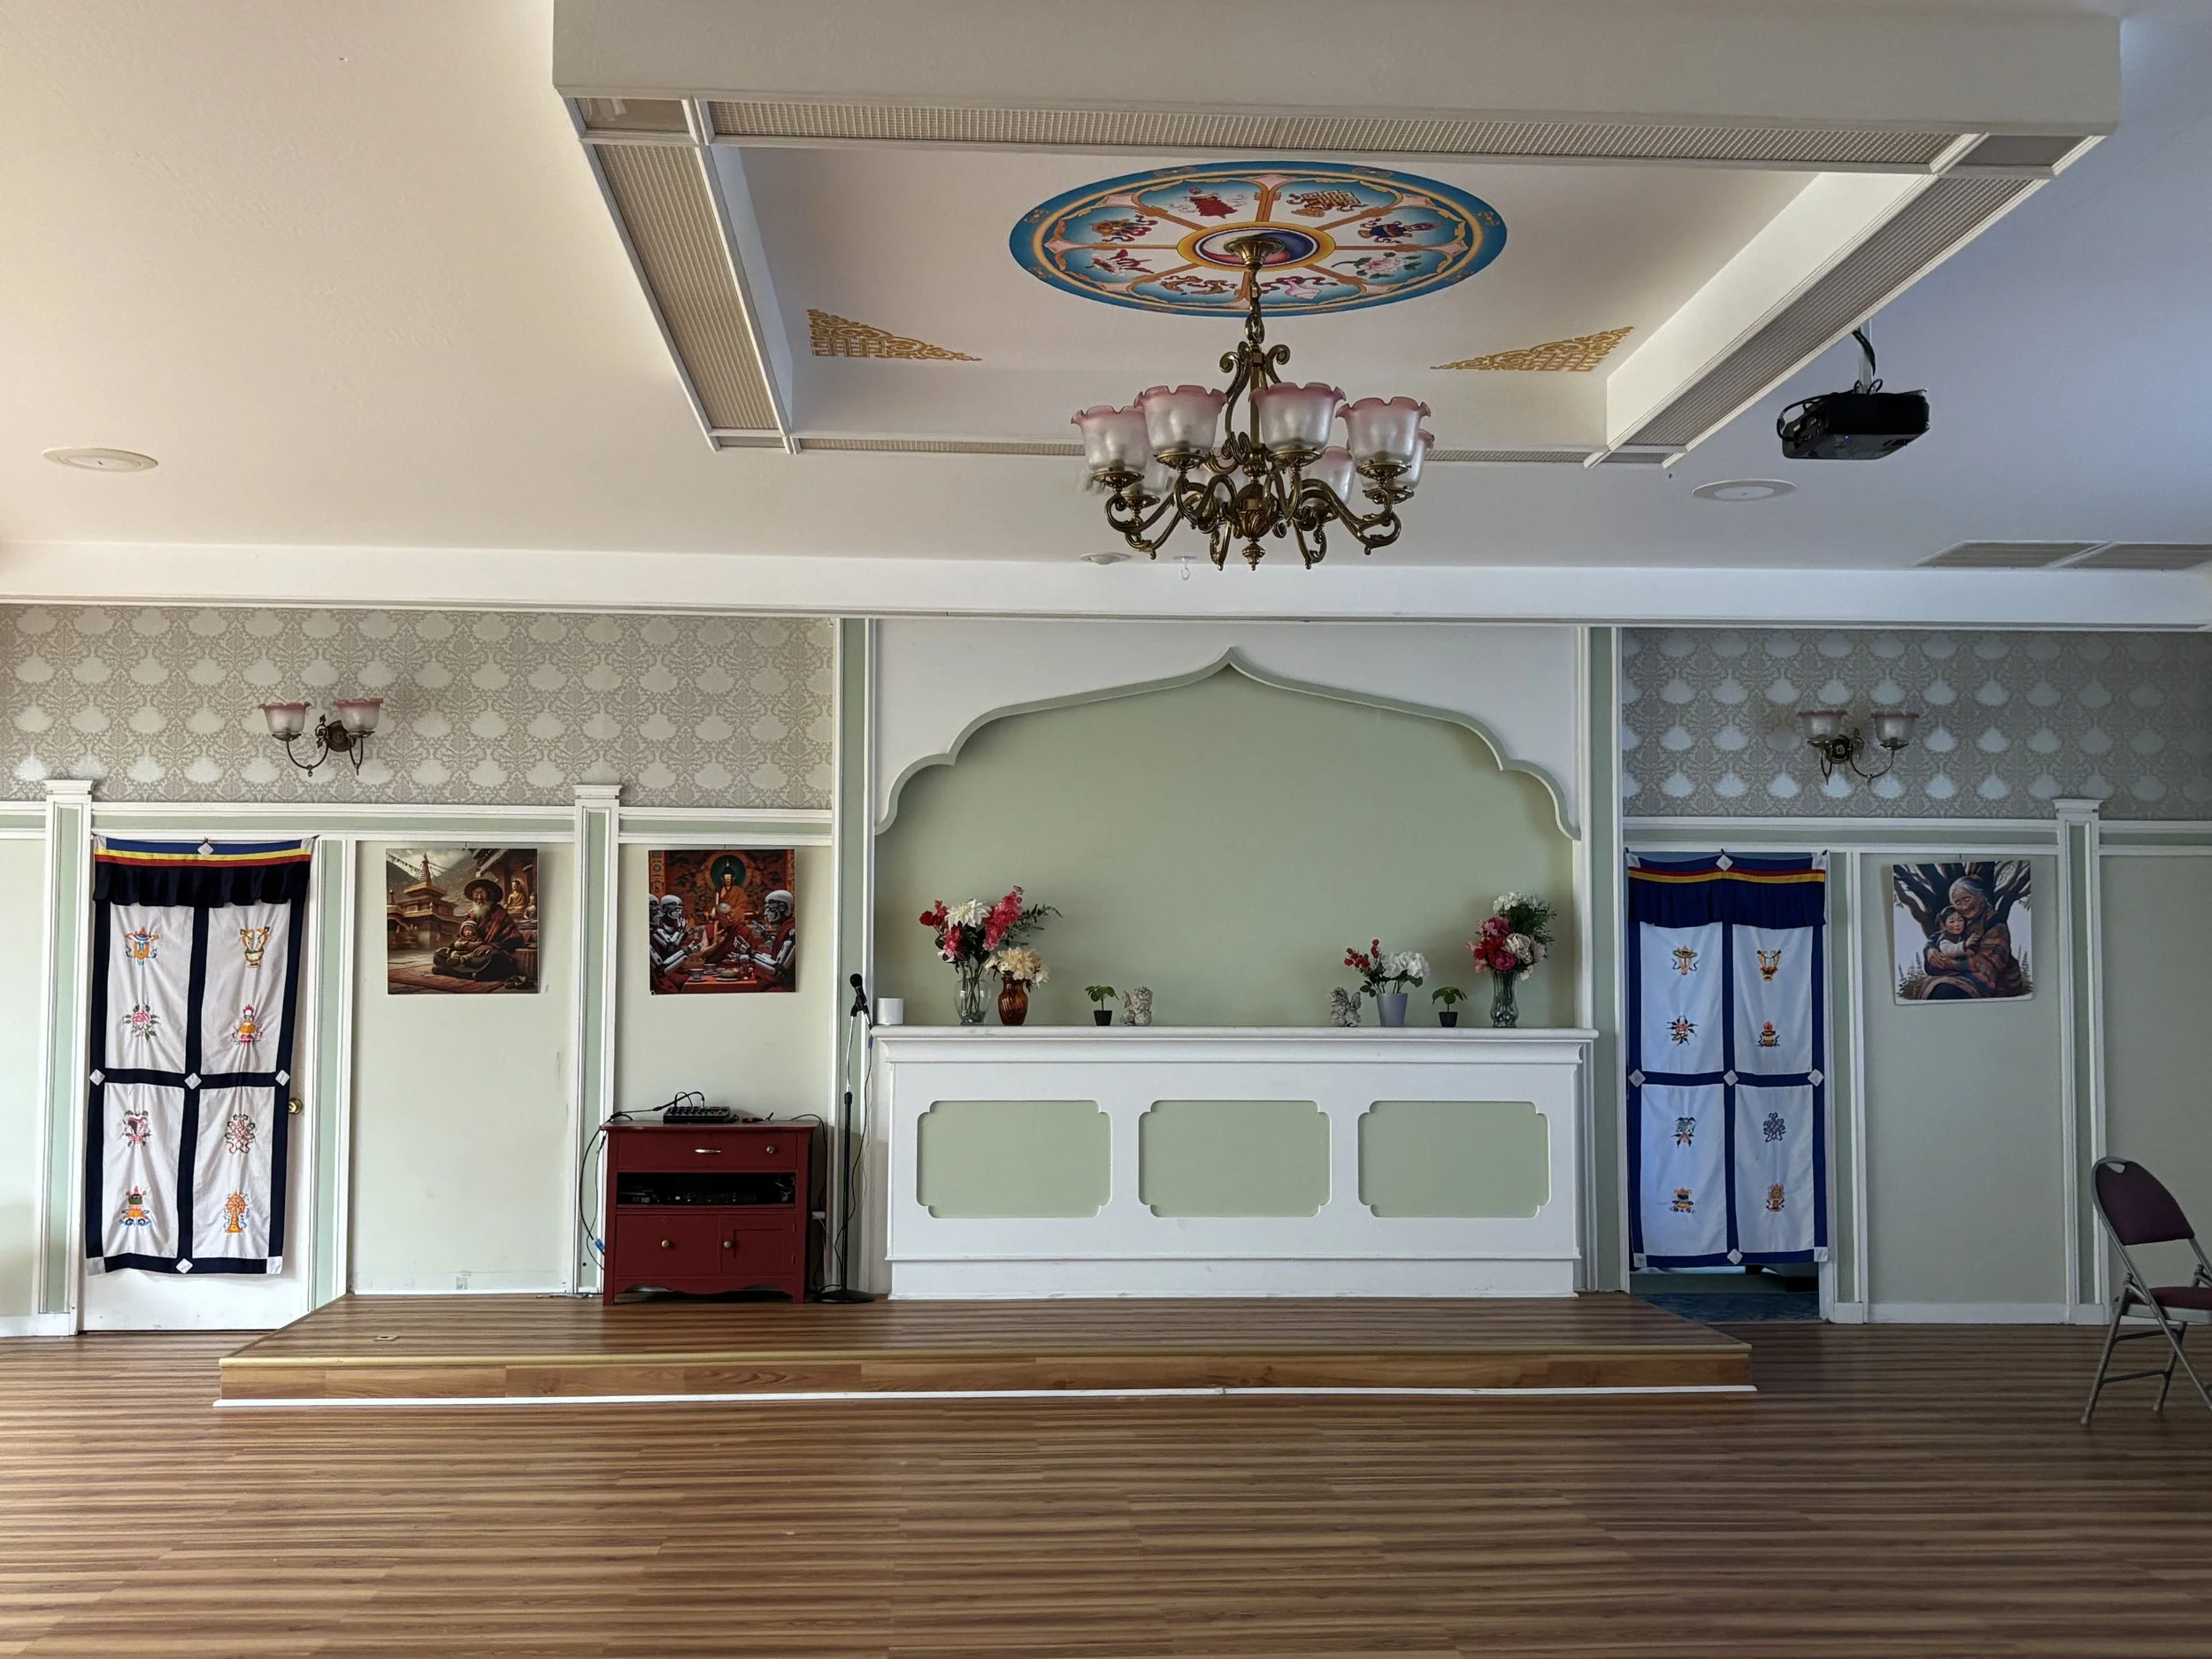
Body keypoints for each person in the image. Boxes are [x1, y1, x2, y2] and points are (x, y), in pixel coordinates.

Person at [1916, 877, 2024, 999]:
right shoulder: (1960, 920)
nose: (1964, 907)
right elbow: (1938, 936)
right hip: (1965, 974)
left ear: (1980, 897)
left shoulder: (1995, 925)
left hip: (1995, 980)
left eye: (1967, 899)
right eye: (1958, 903)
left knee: (1944, 991)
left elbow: (1986, 966)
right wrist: (1929, 949)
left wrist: (1954, 965)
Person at [433, 877, 526, 983]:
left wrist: (492, 946)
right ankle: (474, 974)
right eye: (476, 894)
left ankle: (449, 971)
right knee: (439, 955)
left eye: (482, 893)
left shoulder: (501, 915)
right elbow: (462, 936)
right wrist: (453, 946)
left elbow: (516, 938)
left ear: (490, 895)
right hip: (469, 952)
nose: (479, 898)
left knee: (495, 958)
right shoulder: (472, 914)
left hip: (486, 954)